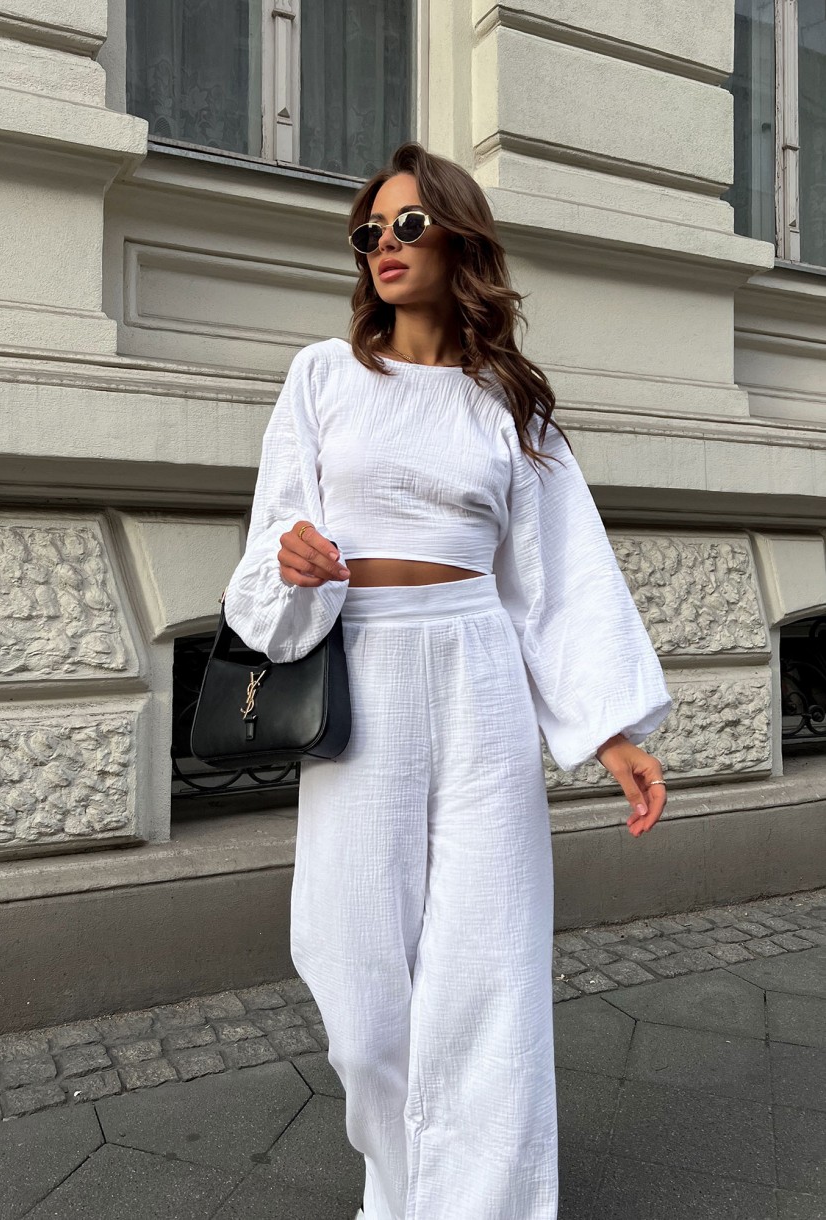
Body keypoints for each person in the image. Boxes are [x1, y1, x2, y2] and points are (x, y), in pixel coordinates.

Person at [224, 141, 672, 1220]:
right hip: (362, 666)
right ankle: (402, 1189)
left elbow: (556, 577)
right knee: (353, 971)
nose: (384, 243)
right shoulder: (323, 376)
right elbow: (269, 545)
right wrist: (293, 561)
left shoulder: (506, 401)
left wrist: (610, 728)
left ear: (459, 237)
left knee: (489, 963)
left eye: (409, 224)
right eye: (369, 230)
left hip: (478, 672)